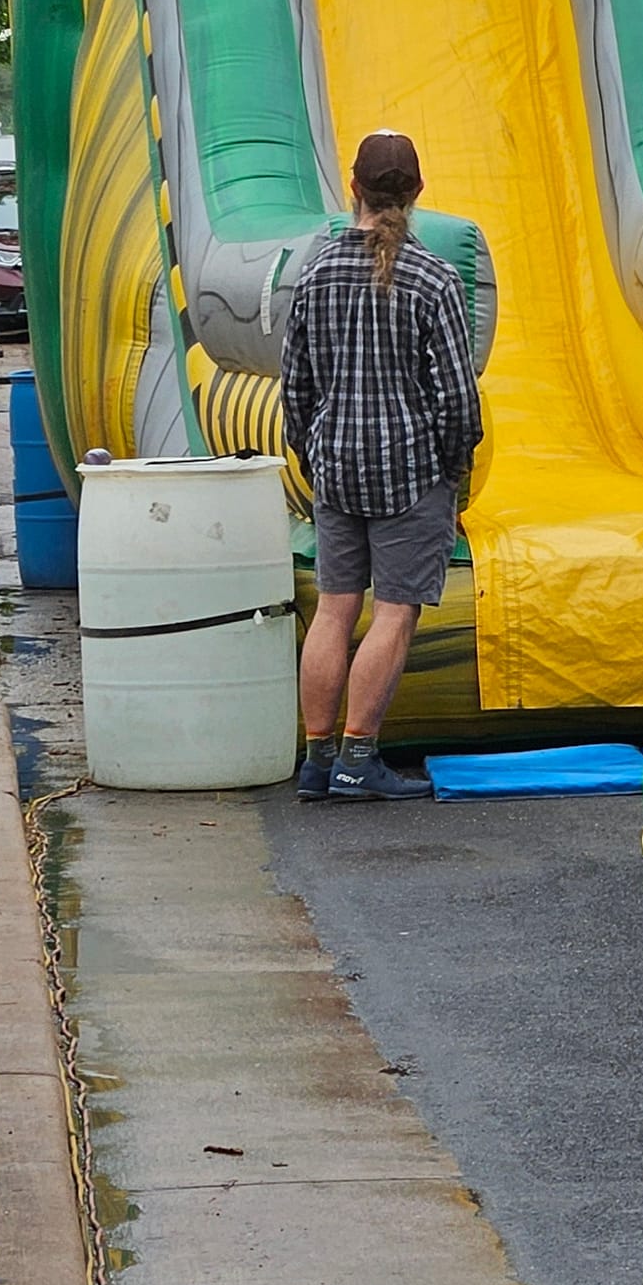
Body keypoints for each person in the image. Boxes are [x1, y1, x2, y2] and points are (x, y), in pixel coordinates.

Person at [279, 127, 483, 802]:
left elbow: (295, 388)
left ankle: (317, 761)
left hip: (336, 469)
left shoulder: (314, 274)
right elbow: (457, 397)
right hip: (411, 473)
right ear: (417, 191)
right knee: (394, 614)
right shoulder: (435, 279)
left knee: (335, 610)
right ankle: (358, 759)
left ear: (354, 189)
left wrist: (314, 455)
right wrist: (453, 469)